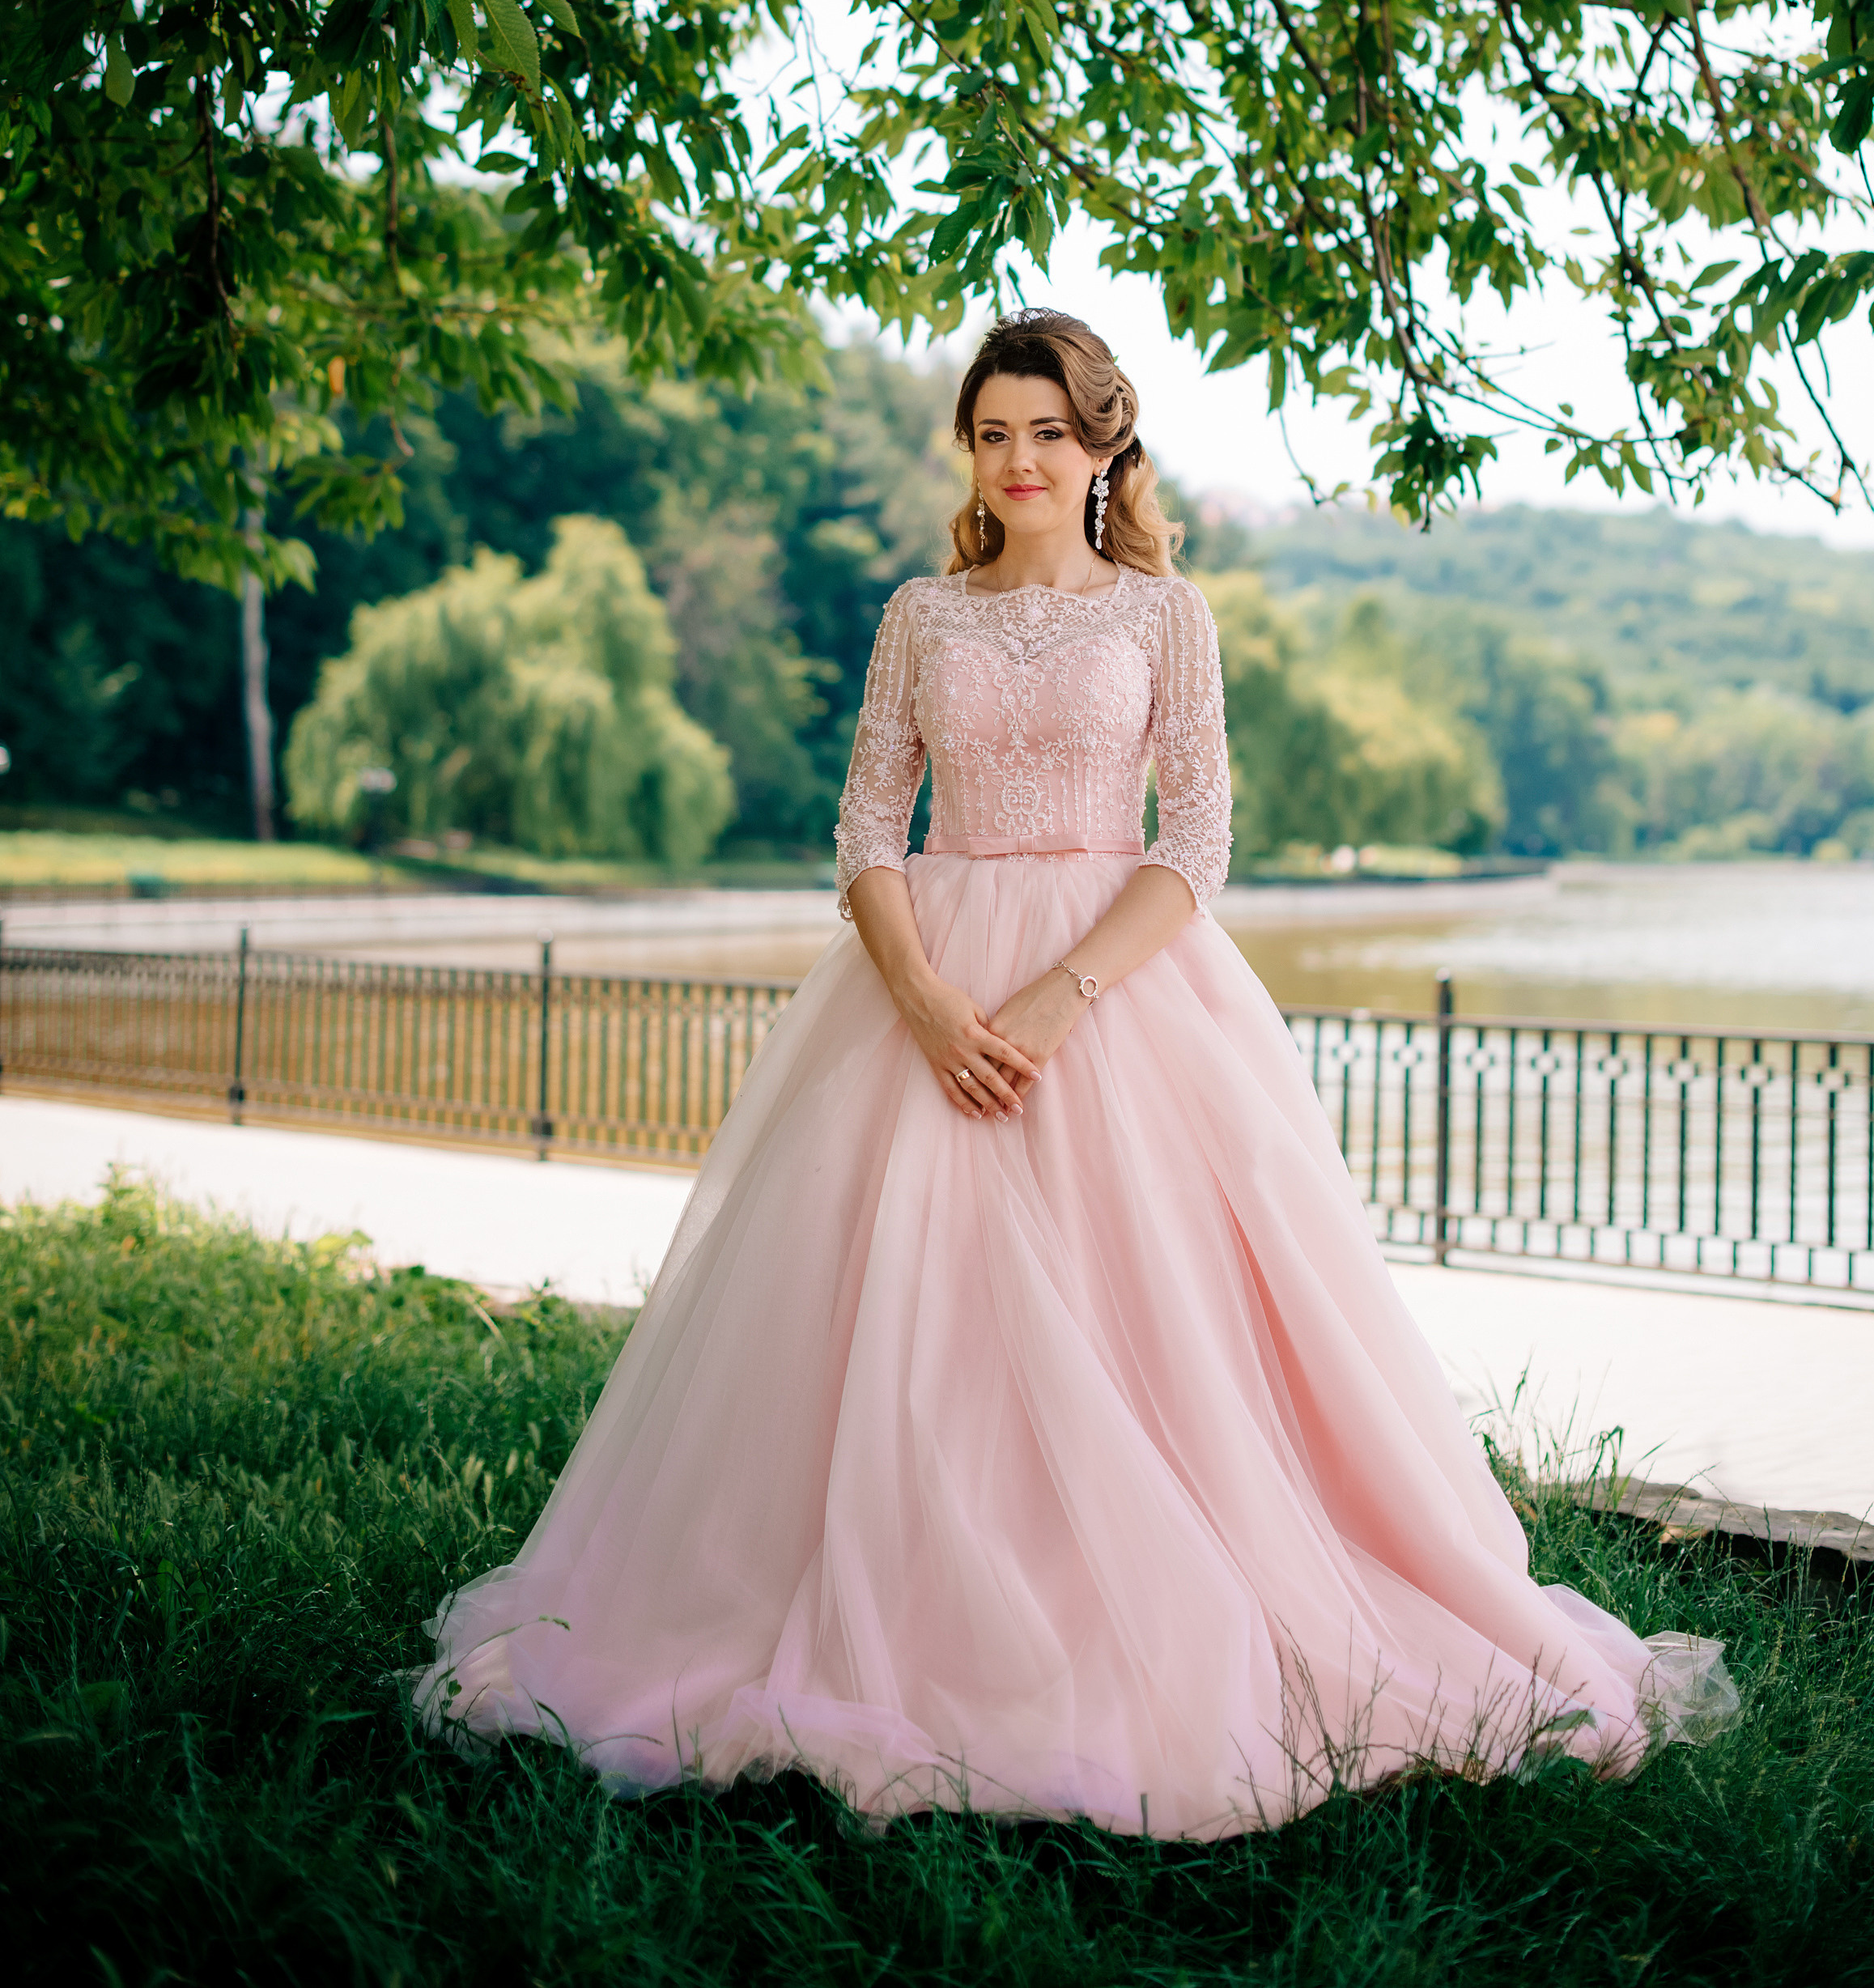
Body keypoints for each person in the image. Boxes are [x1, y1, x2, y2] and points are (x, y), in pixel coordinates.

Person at [414, 308, 1735, 1836]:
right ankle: (891, 1607)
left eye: (1049, 431)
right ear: (970, 452)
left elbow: (1198, 842)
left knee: (1156, 1321)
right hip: (926, 990)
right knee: (900, 1318)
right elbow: (865, 829)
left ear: (1104, 445)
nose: (1021, 459)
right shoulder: (923, 612)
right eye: (993, 433)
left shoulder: (1166, 616)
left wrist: (1056, 998)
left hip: (1121, 1001)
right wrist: (922, 998)